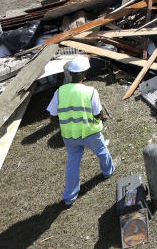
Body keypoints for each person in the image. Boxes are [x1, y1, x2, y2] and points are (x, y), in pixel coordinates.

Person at [47, 56, 116, 207]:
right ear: (85, 73)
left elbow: (52, 117)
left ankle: (69, 197)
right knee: (102, 152)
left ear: (70, 73)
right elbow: (98, 113)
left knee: (72, 164)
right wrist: (102, 116)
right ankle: (108, 172)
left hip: (69, 136)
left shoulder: (59, 92)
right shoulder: (90, 91)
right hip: (90, 133)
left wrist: (67, 122)